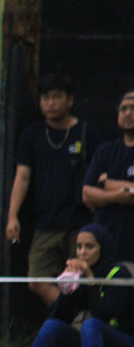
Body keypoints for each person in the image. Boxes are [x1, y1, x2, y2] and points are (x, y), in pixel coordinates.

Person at [5, 73, 107, 307]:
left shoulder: (87, 133)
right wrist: (12, 216)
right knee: (36, 280)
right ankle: (71, 321)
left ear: (70, 100)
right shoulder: (32, 135)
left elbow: (103, 175)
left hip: (81, 222)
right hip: (46, 222)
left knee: (84, 278)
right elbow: (22, 176)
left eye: (56, 97)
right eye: (45, 98)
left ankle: (83, 327)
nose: (50, 103)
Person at [12, 224, 134, 347]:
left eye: (89, 247)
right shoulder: (80, 276)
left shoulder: (118, 273)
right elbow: (60, 317)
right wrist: (67, 289)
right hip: (89, 344)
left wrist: (90, 280)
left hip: (122, 344)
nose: (82, 252)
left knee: (91, 325)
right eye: (79, 247)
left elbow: (104, 315)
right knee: (51, 325)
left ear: (103, 248)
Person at [82, 89, 134, 262]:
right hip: (108, 246)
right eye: (123, 109)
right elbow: (87, 194)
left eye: (133, 108)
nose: (128, 113)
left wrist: (106, 183)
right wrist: (117, 195)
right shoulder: (105, 151)